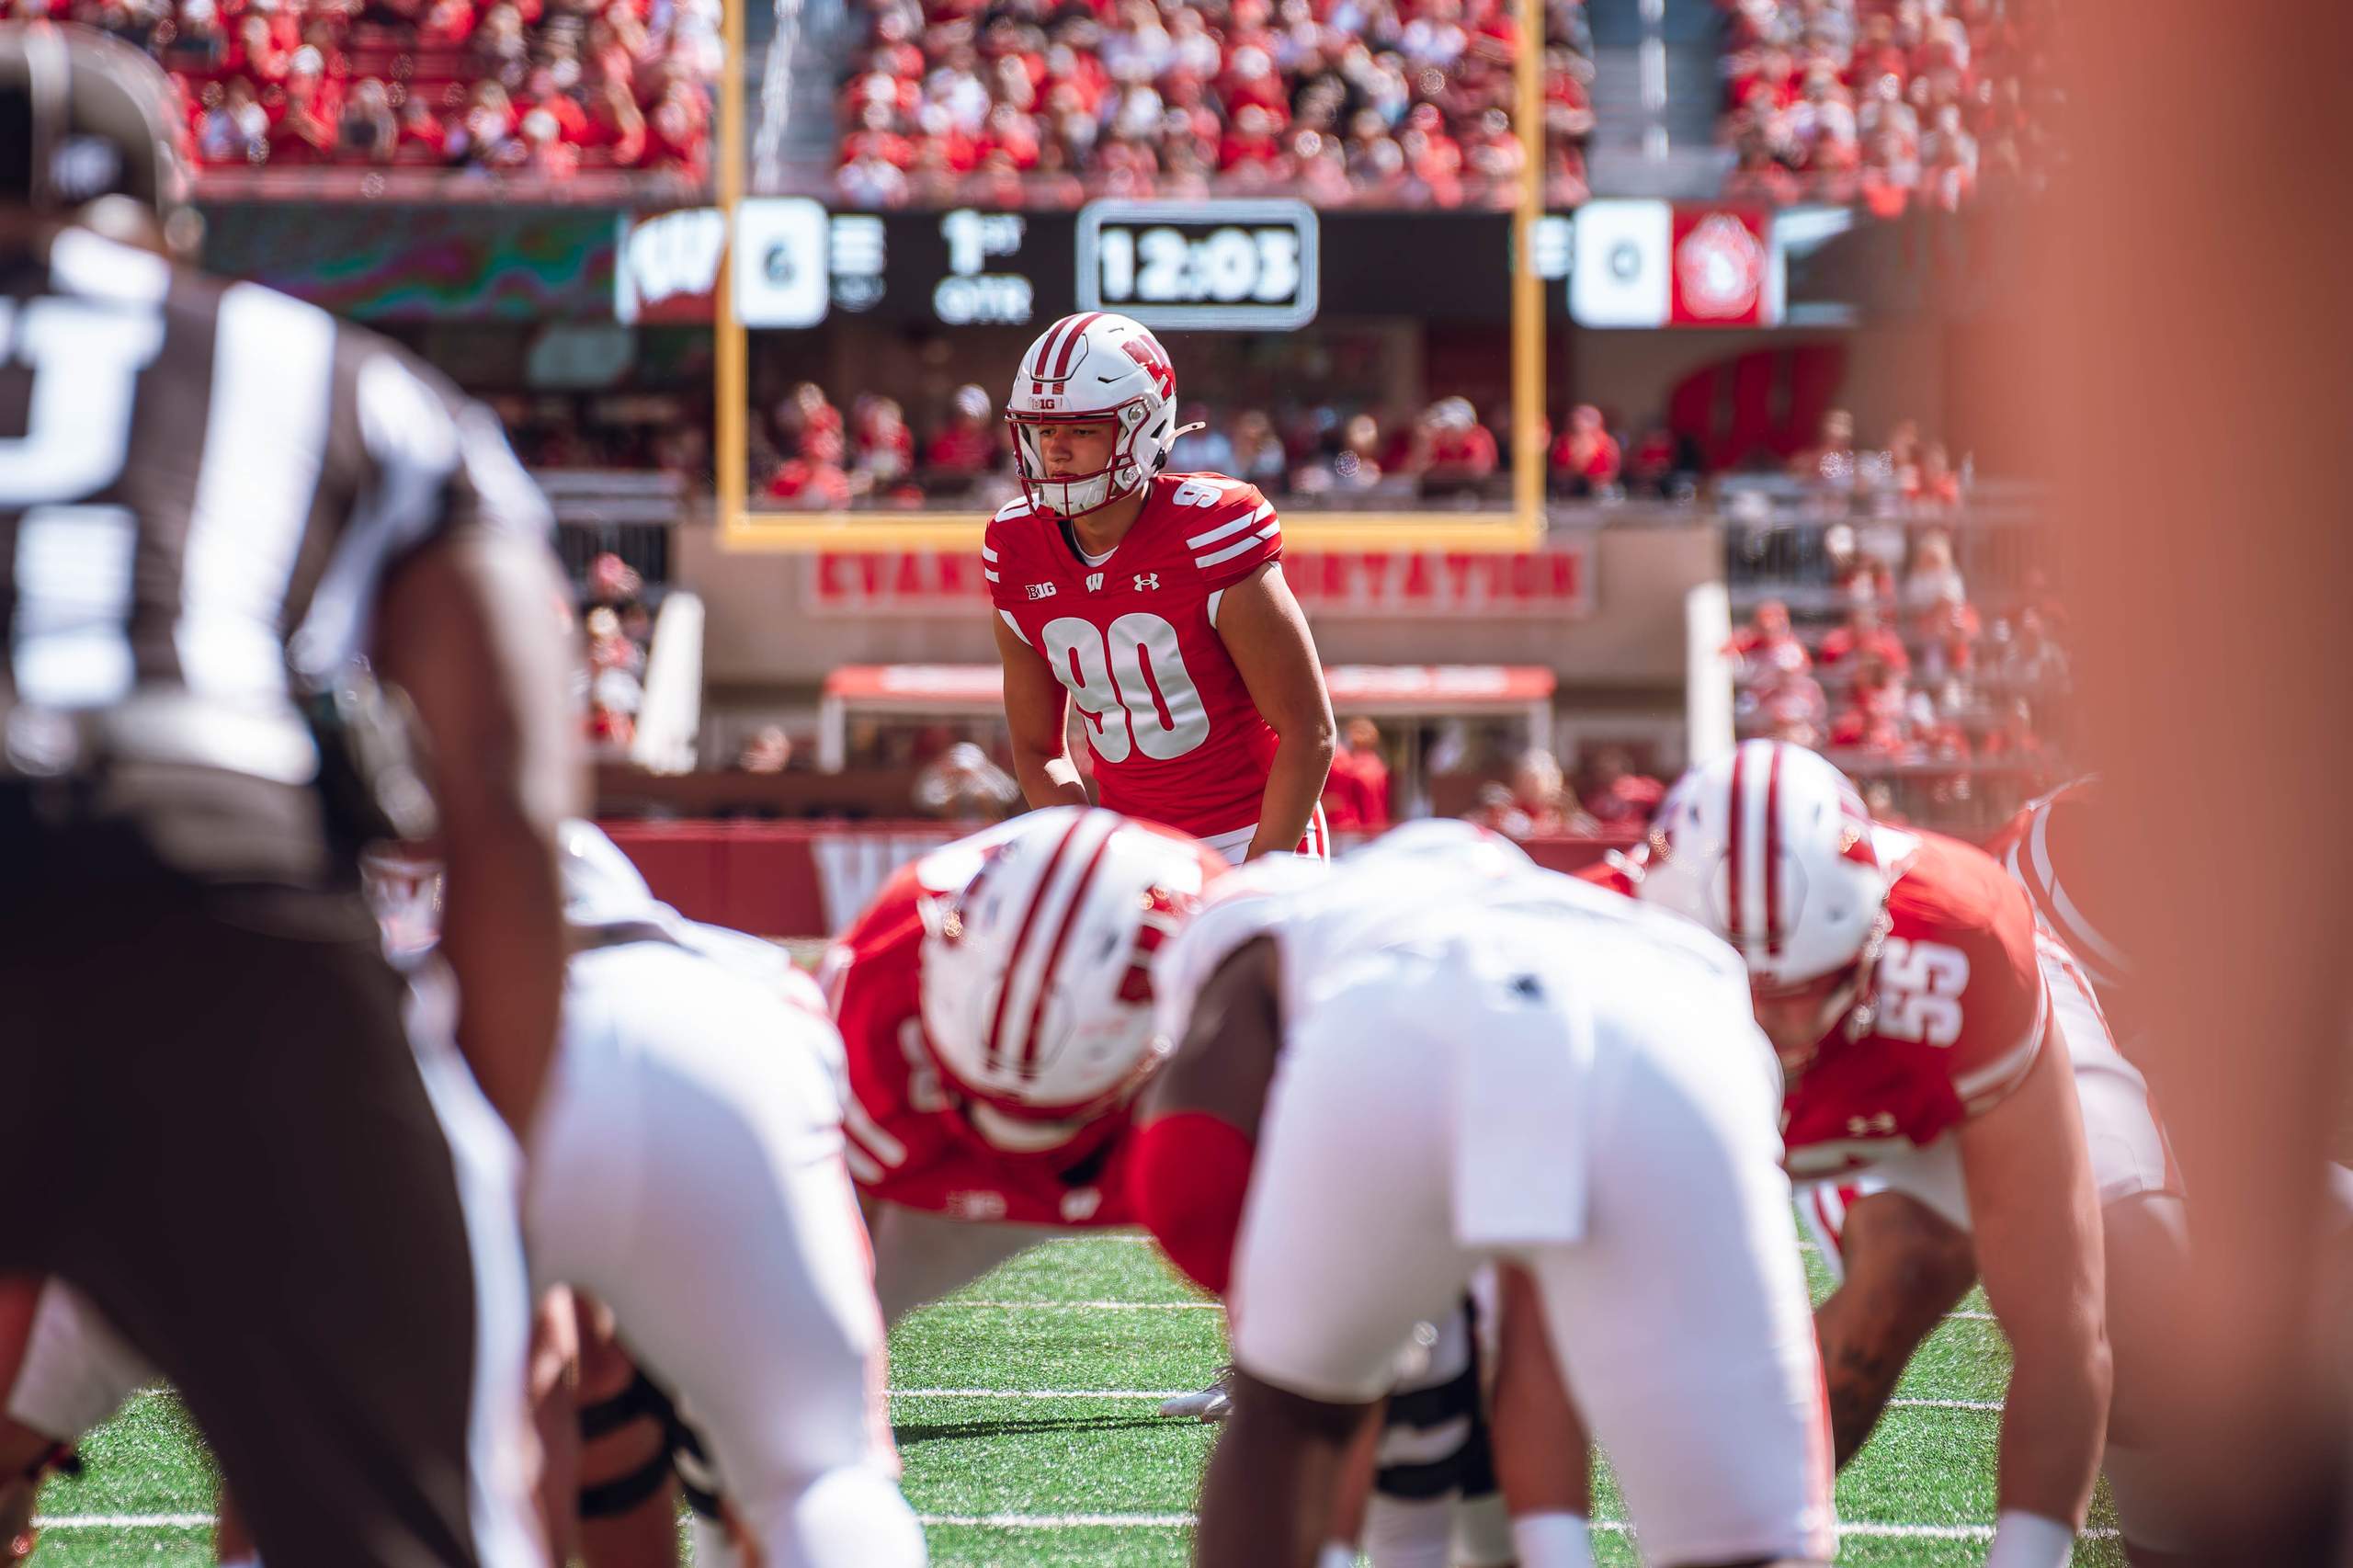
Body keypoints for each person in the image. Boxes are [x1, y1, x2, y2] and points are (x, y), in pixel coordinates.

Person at [0, 23, 574, 1567]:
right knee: (382, 1523)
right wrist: (506, 1173)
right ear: (171, 225)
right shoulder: (328, 371)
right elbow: (508, 797)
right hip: (214, 890)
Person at [0, 824, 929, 1568]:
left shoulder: (172, 1045)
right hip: (720, 1023)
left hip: (379, 1047)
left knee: (331, 1451)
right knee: (821, 1475)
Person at [1139, 823, 1836, 1568]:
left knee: (1293, 1416)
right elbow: (1535, 1302)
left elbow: (1199, 1148)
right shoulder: (1643, 939)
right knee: (1750, 1546)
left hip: (1385, 1017)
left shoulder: (1272, 912)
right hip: (1672, 1028)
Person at [1614, 742, 2118, 1564]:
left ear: (1873, 927)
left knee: (2128, 1279)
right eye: (1747, 992)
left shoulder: (1961, 943)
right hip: (1741, 1108)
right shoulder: (1599, 948)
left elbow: (2064, 1325)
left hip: (1900, 1074)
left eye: (1809, 987)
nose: (1782, 1031)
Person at [987, 312, 1335, 864]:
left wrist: (1256, 874)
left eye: (1081, 430)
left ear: (1141, 427)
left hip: (1257, 832)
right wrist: (1094, 852)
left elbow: (1308, 729)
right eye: (1043, 429)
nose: (1054, 450)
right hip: (1136, 854)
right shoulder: (1015, 546)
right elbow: (1036, 749)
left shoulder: (1212, 530)